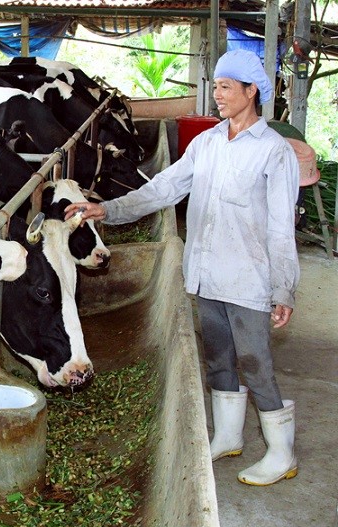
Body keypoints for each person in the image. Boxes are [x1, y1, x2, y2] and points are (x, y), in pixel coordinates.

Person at [65, 49, 301, 486]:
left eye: (227, 87)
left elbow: (281, 229)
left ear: (252, 92)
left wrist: (284, 288)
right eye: (217, 87)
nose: (218, 95)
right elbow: (163, 189)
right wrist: (106, 210)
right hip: (207, 274)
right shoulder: (208, 143)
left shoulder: (273, 152)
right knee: (218, 360)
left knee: (255, 362)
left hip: (250, 279)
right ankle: (228, 437)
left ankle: (281, 452)